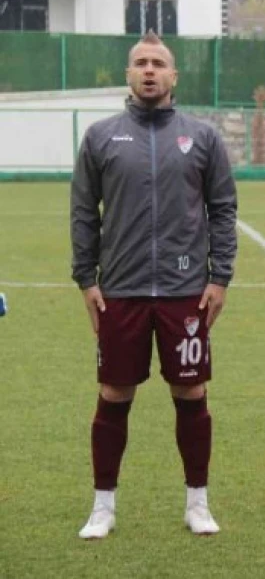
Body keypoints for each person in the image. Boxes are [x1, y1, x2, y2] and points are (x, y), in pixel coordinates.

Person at [70, 31, 238, 539]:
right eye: (140, 63)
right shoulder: (100, 137)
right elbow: (83, 212)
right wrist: (86, 278)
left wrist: (220, 276)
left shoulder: (203, 137)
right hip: (120, 289)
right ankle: (103, 506)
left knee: (190, 390)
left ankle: (198, 502)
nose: (149, 71)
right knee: (114, 392)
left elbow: (223, 209)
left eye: (158, 63)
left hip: (186, 289)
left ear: (173, 76)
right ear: (128, 74)